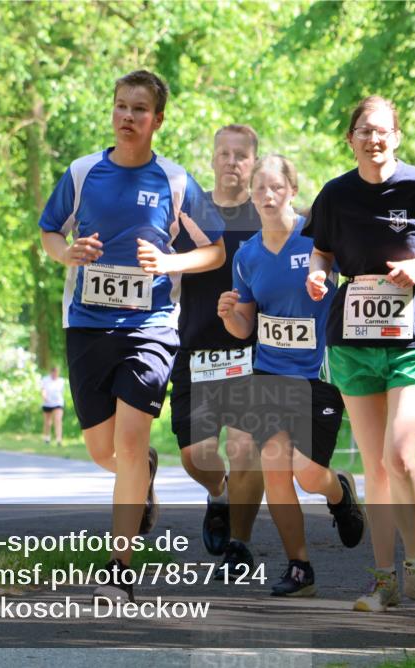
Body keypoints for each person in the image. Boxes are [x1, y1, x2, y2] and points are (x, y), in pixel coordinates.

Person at [38, 69, 225, 603]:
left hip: (150, 328)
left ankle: (119, 566)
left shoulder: (174, 180)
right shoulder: (81, 173)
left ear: (157, 120)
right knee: (104, 451)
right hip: (87, 325)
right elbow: (51, 230)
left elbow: (213, 248)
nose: (127, 116)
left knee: (129, 439)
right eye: (121, 106)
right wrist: (65, 252)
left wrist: (170, 261)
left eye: (139, 109)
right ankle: (140, 474)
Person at [306, 96, 415, 614]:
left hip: (413, 335)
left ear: (396, 136)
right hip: (354, 339)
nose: (373, 139)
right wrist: (317, 273)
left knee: (399, 455)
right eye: (363, 131)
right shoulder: (334, 193)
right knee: (376, 466)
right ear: (350, 139)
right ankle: (384, 581)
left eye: (382, 131)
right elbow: (322, 250)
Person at [218, 154, 365, 596]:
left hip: (316, 374)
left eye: (275, 187)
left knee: (305, 473)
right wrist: (229, 317)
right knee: (275, 468)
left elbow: (356, 283)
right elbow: (245, 324)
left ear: (292, 190)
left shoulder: (319, 240)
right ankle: (300, 567)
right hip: (268, 374)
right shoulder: (246, 255)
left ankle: (338, 490)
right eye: (259, 188)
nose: (266, 195)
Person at [171, 124, 265, 570]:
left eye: (241, 155)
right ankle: (220, 494)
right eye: (224, 154)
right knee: (197, 455)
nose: (232, 162)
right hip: (197, 351)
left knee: (246, 448)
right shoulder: (190, 214)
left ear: (253, 163)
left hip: (252, 353)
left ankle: (239, 544)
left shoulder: (266, 216)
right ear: (212, 158)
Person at [41, 365, 66, 446]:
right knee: (47, 422)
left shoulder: (61, 381)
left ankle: (59, 439)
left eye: (56, 372)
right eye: (54, 372)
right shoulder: (45, 379)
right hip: (47, 403)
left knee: (58, 420)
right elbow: (43, 390)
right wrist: (44, 396)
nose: (55, 374)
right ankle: (47, 437)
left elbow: (61, 392)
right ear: (51, 372)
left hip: (57, 403)